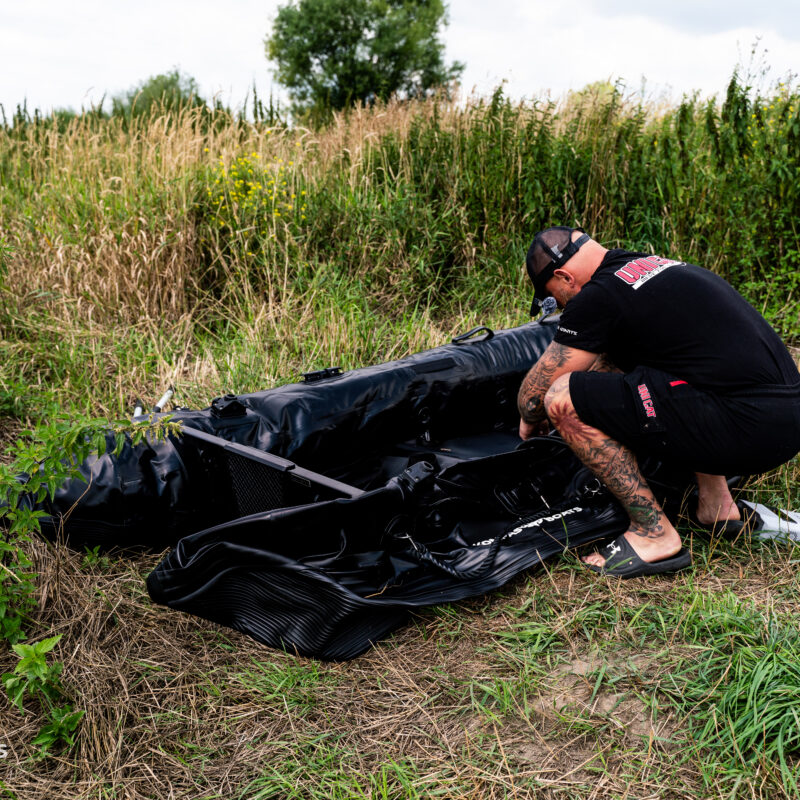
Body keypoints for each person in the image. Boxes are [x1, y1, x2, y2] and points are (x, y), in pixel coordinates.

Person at [517, 226, 800, 578]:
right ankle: (717, 506)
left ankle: (654, 534)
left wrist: (529, 420)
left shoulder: (597, 295)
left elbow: (534, 396)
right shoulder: (646, 266)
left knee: (561, 399)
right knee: (670, 368)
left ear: (563, 276)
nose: (559, 307)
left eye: (552, 298)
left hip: (748, 426)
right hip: (785, 417)